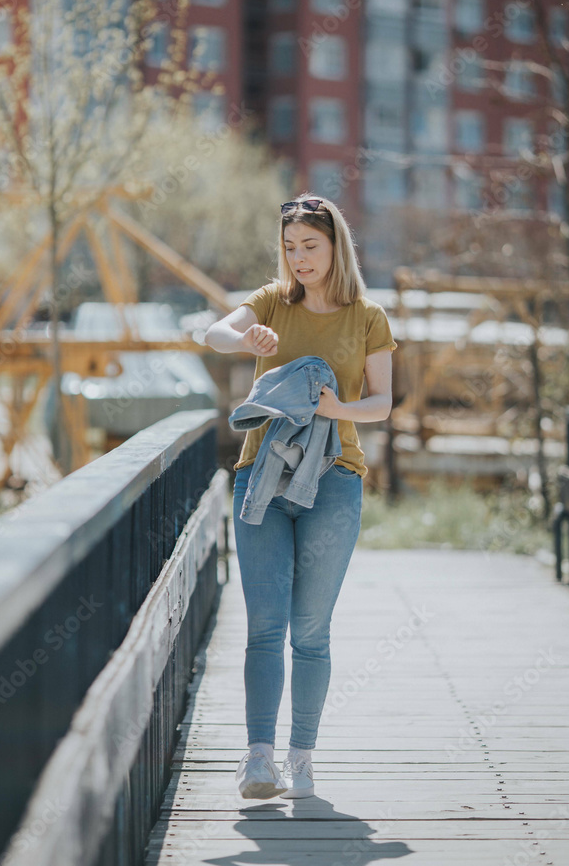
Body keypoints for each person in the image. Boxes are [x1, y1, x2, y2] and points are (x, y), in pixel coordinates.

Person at [203, 193, 397, 800]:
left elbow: (382, 403)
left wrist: (338, 407)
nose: (299, 258)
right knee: (265, 624)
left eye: (310, 246)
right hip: (261, 475)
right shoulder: (269, 303)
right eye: (290, 247)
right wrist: (246, 341)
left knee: (311, 630)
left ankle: (302, 759)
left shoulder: (367, 315)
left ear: (336, 244)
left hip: (334, 478)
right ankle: (258, 758)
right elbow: (211, 333)